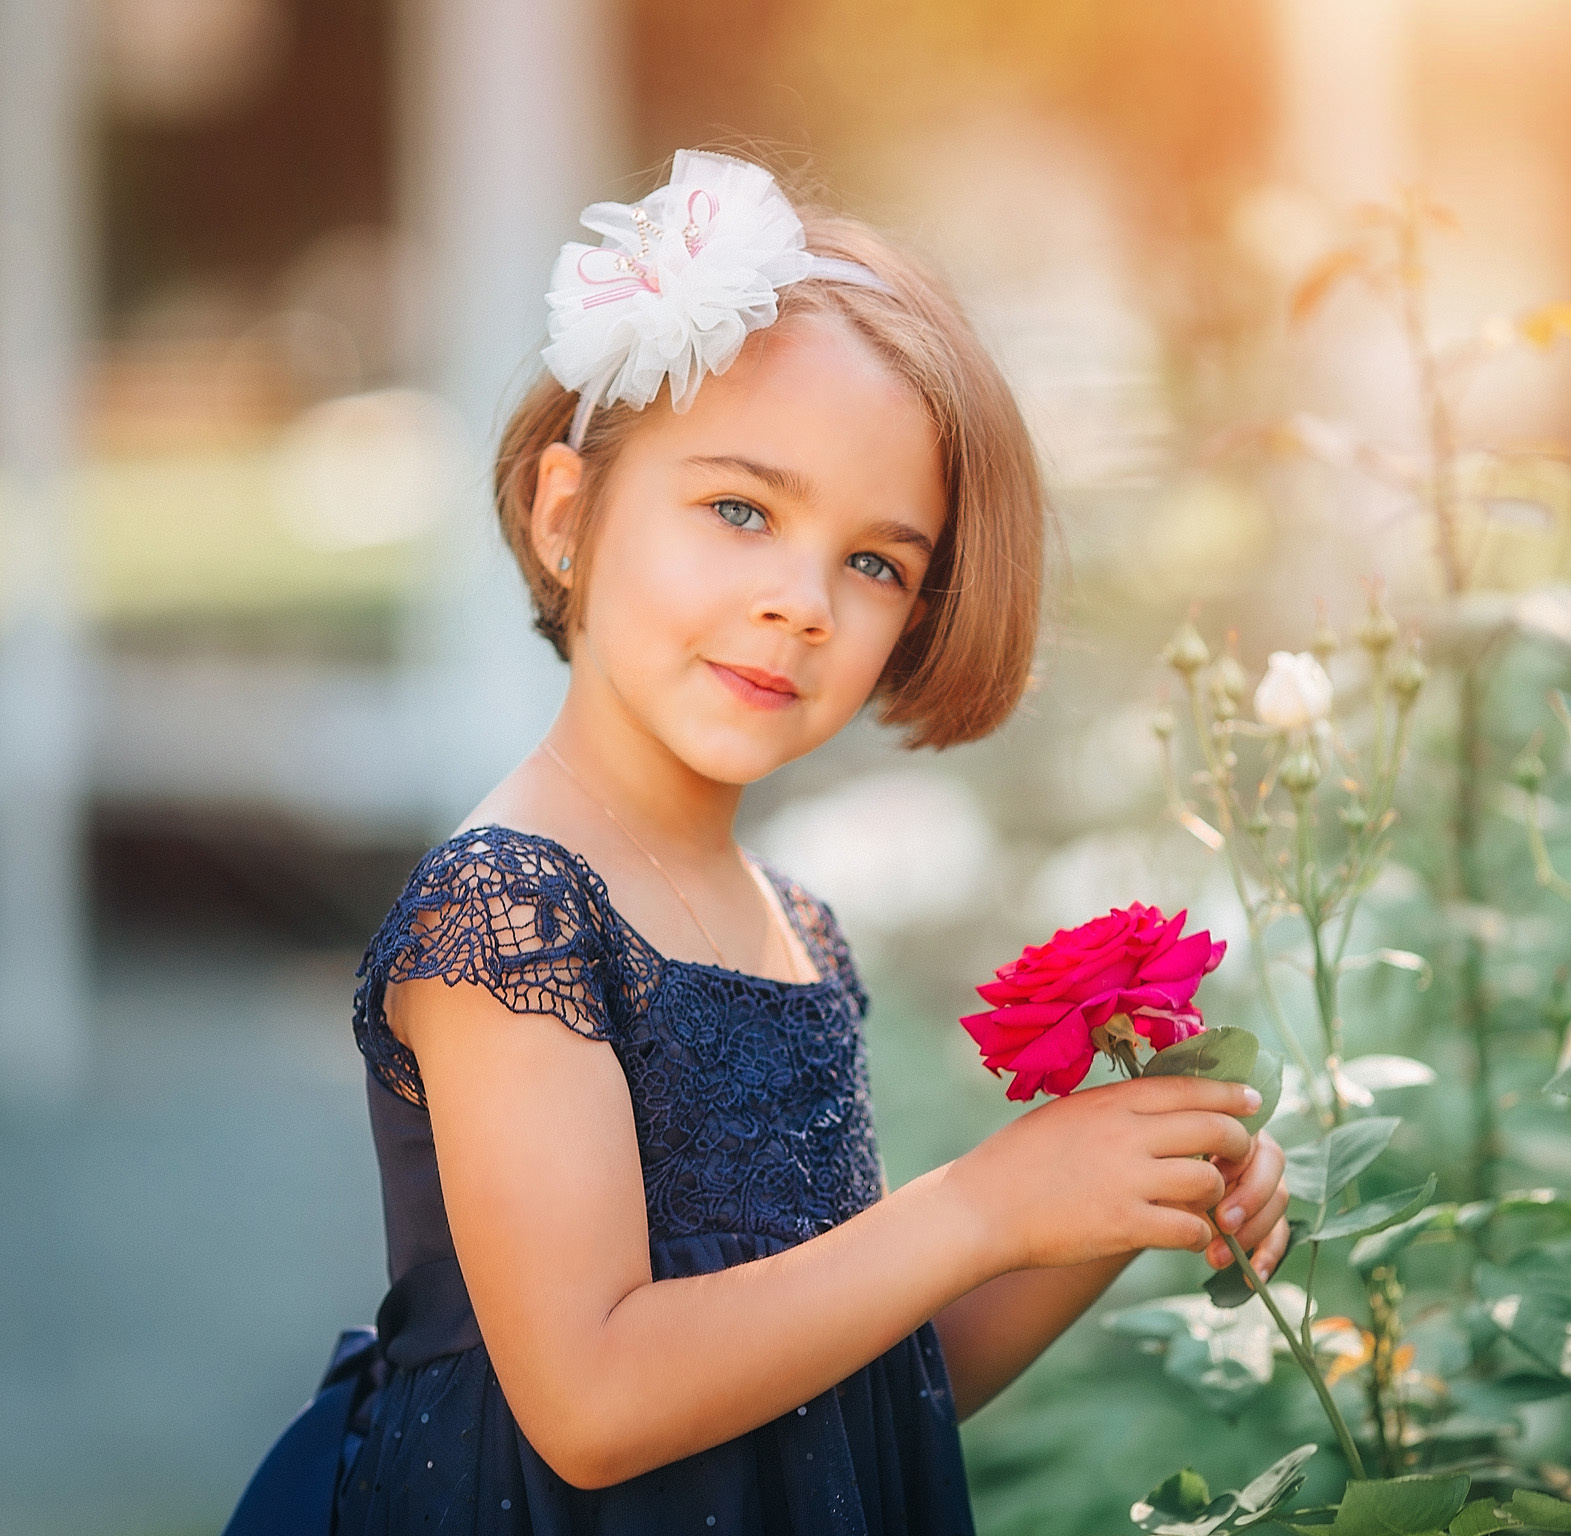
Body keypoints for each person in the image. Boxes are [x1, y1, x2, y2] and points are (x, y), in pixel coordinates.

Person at [223, 150, 1290, 1536]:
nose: (800, 602)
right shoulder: (508, 914)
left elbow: (856, 1374)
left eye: (874, 563)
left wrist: (1093, 1203)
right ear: (568, 518)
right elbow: (596, 1402)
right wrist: (979, 1207)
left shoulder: (793, 919)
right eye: (741, 511)